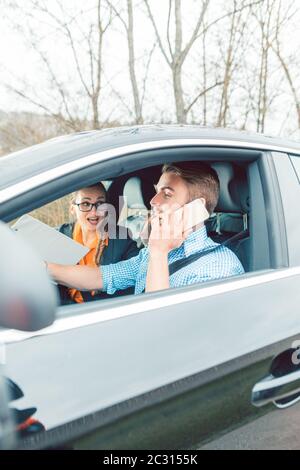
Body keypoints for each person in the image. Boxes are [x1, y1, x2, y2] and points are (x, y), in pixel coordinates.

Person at [48, 162, 244, 295]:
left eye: (166, 194)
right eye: (156, 191)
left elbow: (160, 328)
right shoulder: (149, 255)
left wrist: (158, 253)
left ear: (196, 209)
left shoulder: (219, 267)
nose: (153, 201)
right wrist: (43, 268)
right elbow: (101, 277)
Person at [58, 182, 139, 303]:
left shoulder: (122, 240)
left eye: (100, 204)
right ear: (72, 208)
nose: (94, 213)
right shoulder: (60, 237)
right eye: (85, 204)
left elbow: (138, 280)